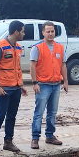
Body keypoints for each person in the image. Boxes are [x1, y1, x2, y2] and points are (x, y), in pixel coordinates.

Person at [0, 20, 29, 154]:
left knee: (12, 116)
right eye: (22, 31)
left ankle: (8, 141)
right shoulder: (0, 47)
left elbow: (17, 68)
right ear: (16, 32)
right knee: (0, 116)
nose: (24, 34)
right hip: (4, 88)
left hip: (16, 88)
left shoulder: (18, 47)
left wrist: (21, 84)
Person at [30, 21, 68, 149]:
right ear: (43, 33)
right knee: (39, 112)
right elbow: (32, 66)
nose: (50, 34)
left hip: (56, 84)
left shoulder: (60, 47)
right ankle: (35, 138)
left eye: (52, 31)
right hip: (42, 85)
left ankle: (50, 135)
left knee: (52, 112)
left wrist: (65, 81)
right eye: (48, 31)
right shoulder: (37, 47)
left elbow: (63, 65)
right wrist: (34, 83)